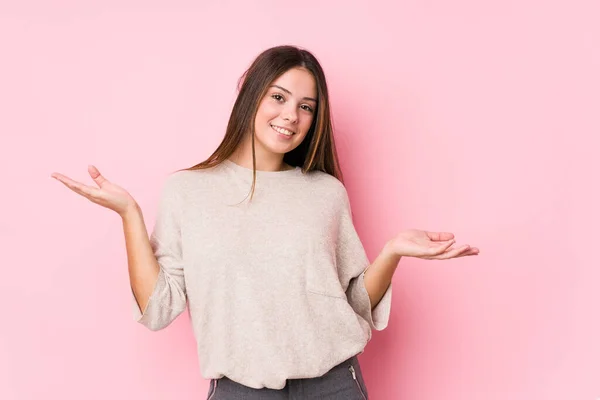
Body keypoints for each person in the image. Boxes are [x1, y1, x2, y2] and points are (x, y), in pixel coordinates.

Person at [51, 45, 479, 399]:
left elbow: (352, 304)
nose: (291, 115)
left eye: (306, 106)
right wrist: (130, 214)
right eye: (278, 97)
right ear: (251, 95)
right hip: (239, 389)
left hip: (333, 385)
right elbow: (159, 308)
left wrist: (393, 251)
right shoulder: (188, 191)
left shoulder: (325, 193)